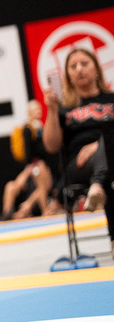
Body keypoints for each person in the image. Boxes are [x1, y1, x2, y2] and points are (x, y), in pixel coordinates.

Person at [43, 47, 114, 250]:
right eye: (73, 66)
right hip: (79, 165)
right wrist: (52, 110)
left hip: (110, 155)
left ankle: (98, 185)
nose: (79, 69)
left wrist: (98, 145)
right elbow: (51, 145)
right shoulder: (64, 107)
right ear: (68, 77)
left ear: (97, 69)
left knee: (110, 155)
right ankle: (98, 184)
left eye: (84, 63)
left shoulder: (112, 99)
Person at [2, 100, 57, 220]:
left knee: (42, 184)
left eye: (39, 109)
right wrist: (30, 166)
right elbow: (28, 150)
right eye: (35, 110)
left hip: (38, 164)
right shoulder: (29, 129)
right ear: (29, 112)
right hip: (35, 164)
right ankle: (8, 211)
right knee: (14, 185)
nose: (39, 111)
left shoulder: (39, 127)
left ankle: (31, 207)